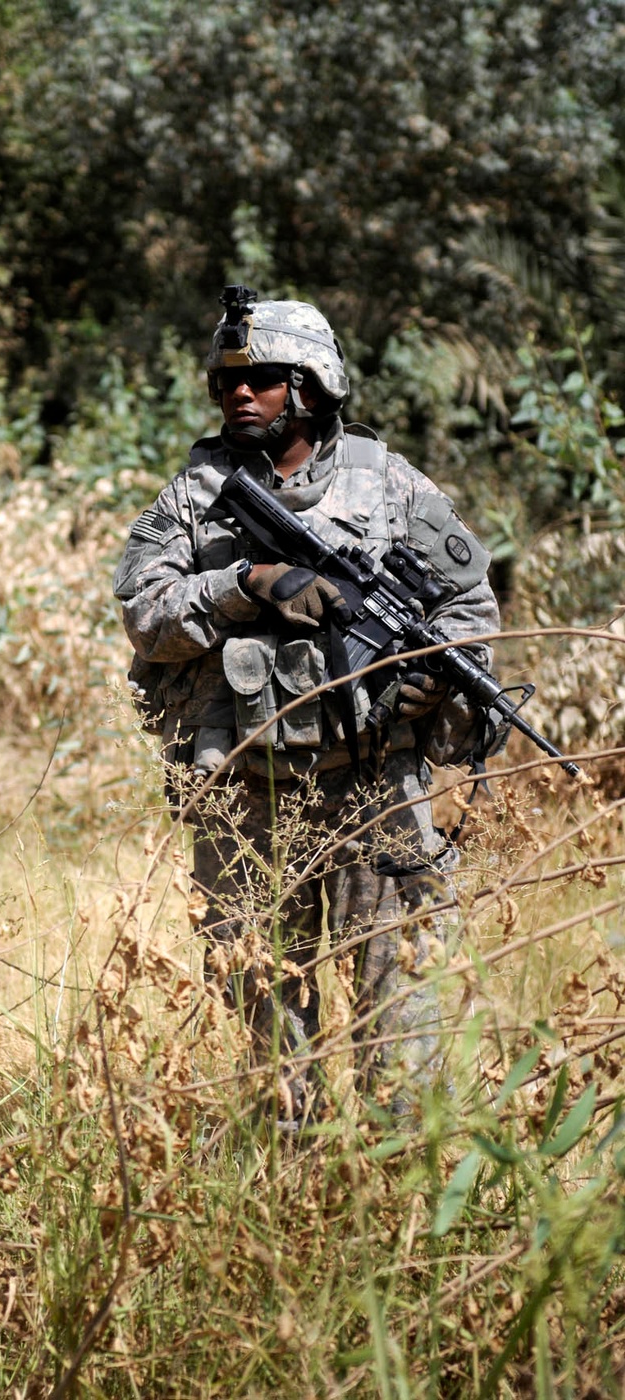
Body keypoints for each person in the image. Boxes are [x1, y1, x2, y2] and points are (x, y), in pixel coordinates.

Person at [113, 288, 503, 1127]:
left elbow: (468, 609)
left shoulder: (390, 485)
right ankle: (288, 1209)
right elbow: (145, 613)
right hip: (246, 792)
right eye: (225, 384)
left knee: (403, 1034)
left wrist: (435, 679)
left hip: (373, 791)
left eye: (260, 380)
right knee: (270, 1037)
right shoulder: (195, 493)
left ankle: (397, 1209)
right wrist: (243, 586)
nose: (237, 396)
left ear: (313, 385)